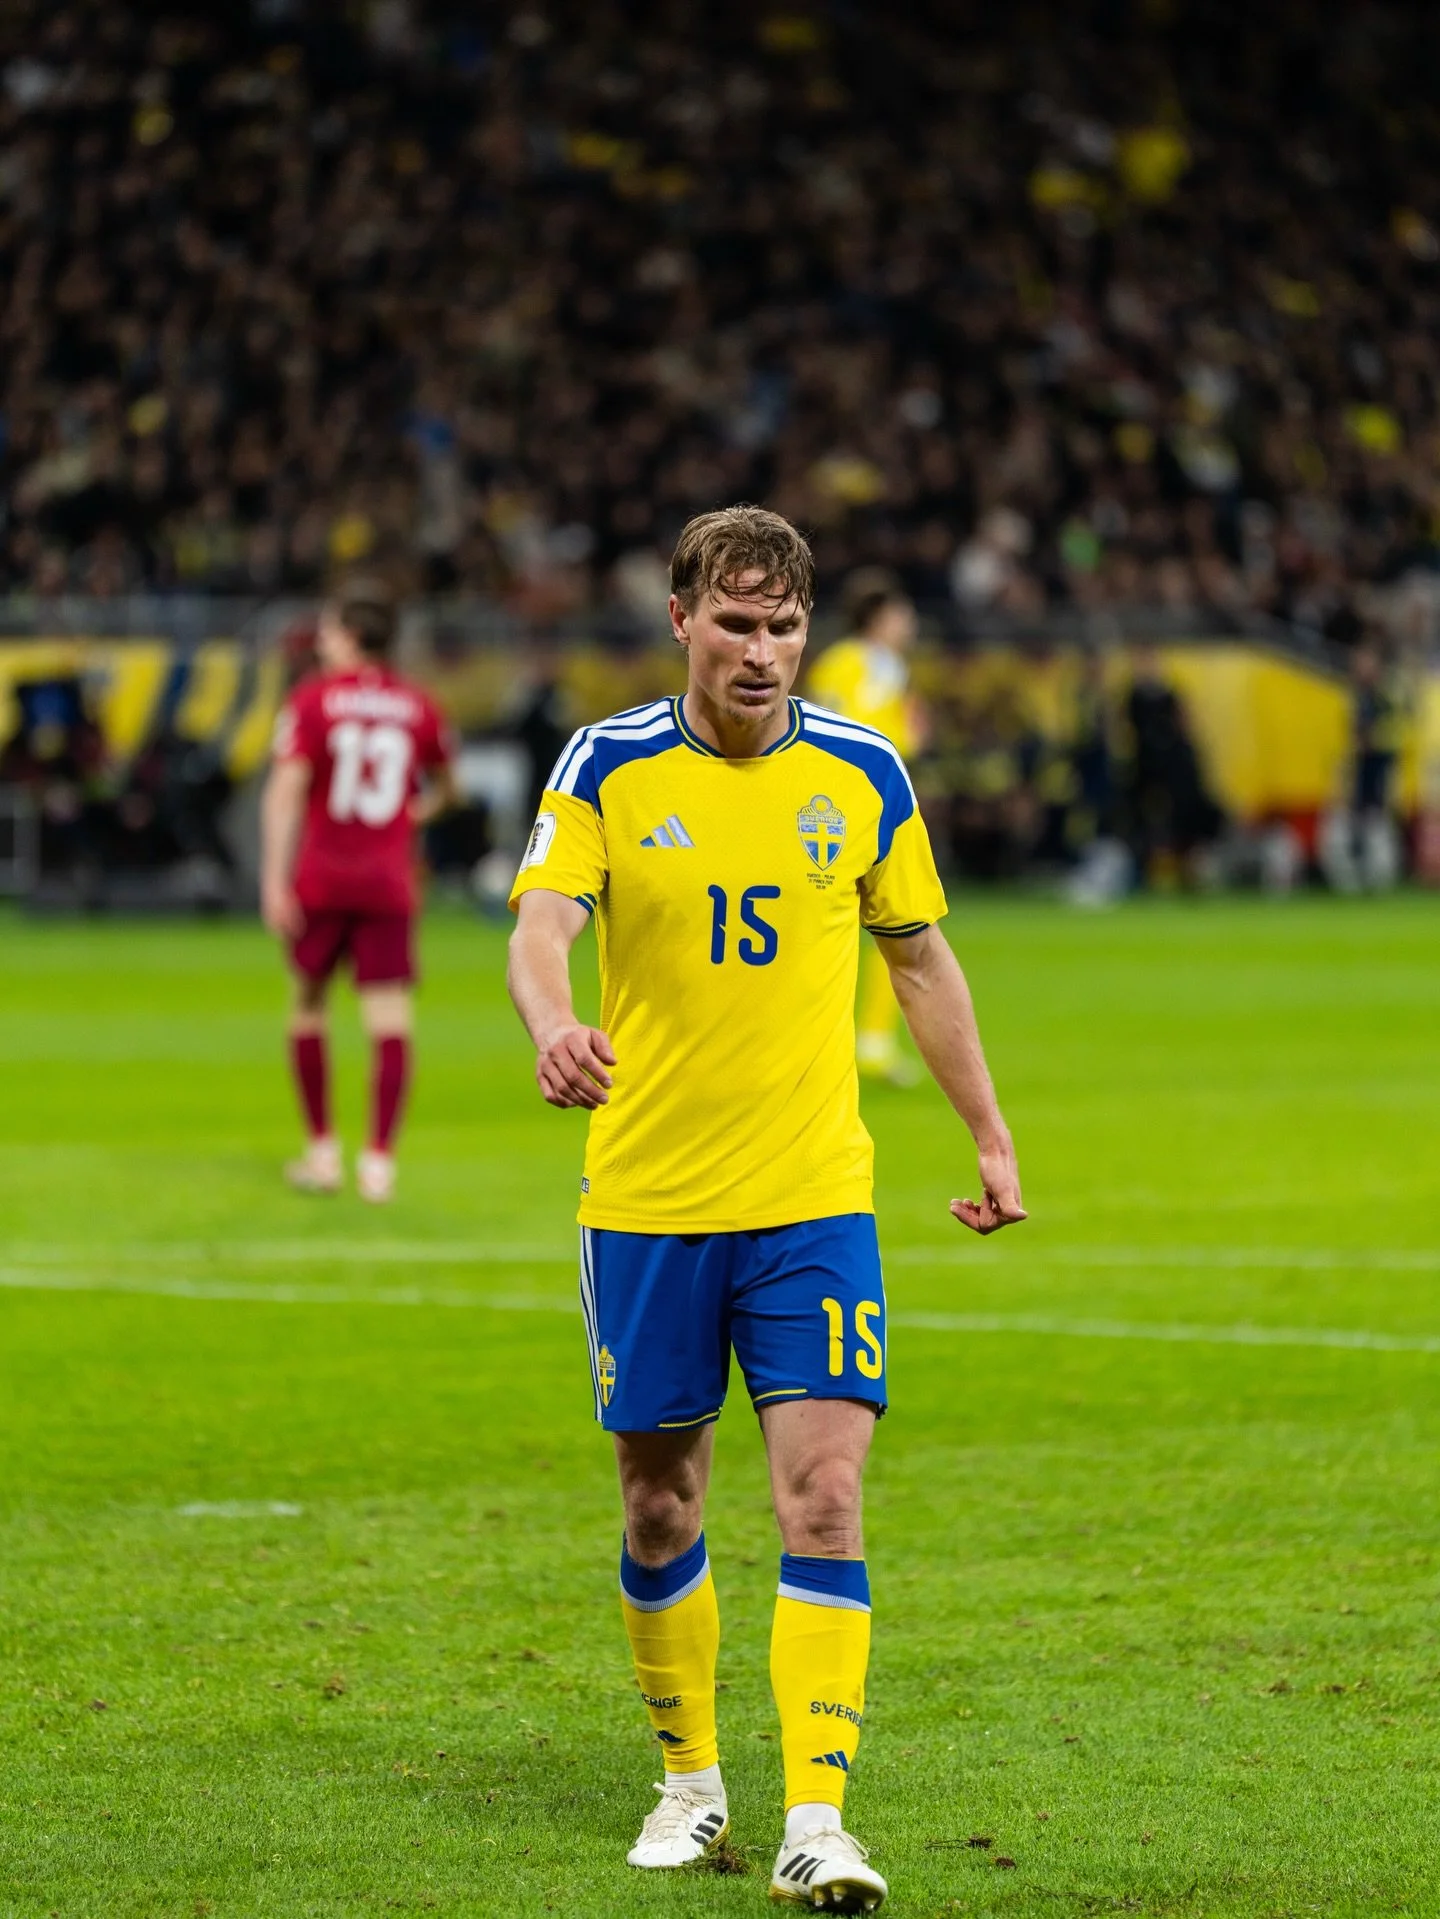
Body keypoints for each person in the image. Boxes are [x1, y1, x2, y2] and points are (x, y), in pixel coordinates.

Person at [506, 506, 1025, 1911]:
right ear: (681, 617)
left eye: (785, 625)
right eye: (735, 622)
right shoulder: (607, 762)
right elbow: (540, 919)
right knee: (663, 1501)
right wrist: (554, 1022)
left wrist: (987, 1129)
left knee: (826, 1493)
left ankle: (817, 1817)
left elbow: (919, 958)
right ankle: (691, 1783)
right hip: (652, 1200)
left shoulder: (861, 768)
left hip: (813, 1200)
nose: (763, 650)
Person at [260, 581, 458, 1202]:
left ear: (350, 636)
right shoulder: (419, 705)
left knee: (308, 1009)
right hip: (387, 883)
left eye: (327, 631)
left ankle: (322, 1153)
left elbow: (286, 793)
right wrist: (409, 815)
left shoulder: (312, 702)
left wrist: (272, 879)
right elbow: (450, 787)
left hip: (321, 878)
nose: (321, 642)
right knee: (390, 1022)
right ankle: (378, 1164)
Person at [807, 570, 926, 1085]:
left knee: (879, 925)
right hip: (851, 805)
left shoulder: (856, 665)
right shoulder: (867, 665)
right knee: (887, 923)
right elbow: (860, 731)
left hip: (853, 802)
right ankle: (860, 1042)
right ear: (879, 619)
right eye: (901, 614)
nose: (910, 623)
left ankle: (863, 1042)